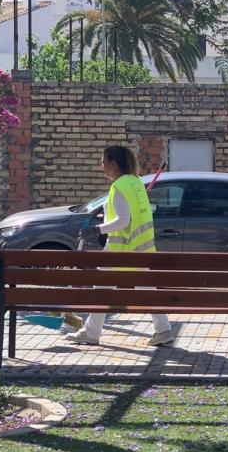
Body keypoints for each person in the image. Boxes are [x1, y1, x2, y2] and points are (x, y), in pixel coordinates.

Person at [65, 145, 174, 347]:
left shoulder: (119, 186)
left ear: (113, 164)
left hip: (120, 251)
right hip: (141, 249)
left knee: (102, 290)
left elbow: (123, 221)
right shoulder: (136, 183)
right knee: (146, 289)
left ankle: (92, 333)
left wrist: (97, 229)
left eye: (103, 161)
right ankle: (164, 330)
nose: (101, 165)